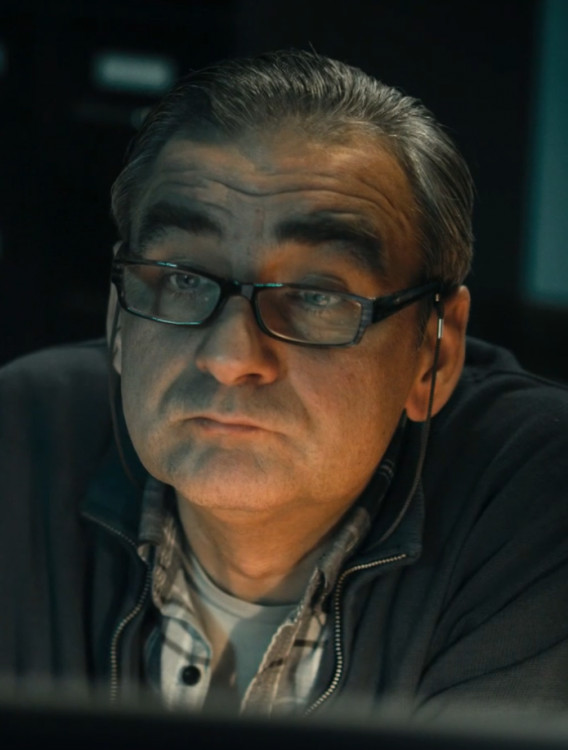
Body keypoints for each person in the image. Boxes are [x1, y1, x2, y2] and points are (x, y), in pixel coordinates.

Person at [1, 49, 568, 719]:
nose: (231, 356)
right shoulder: (20, 440)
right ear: (117, 322)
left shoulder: (538, 495)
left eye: (316, 293)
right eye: (183, 277)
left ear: (434, 355)